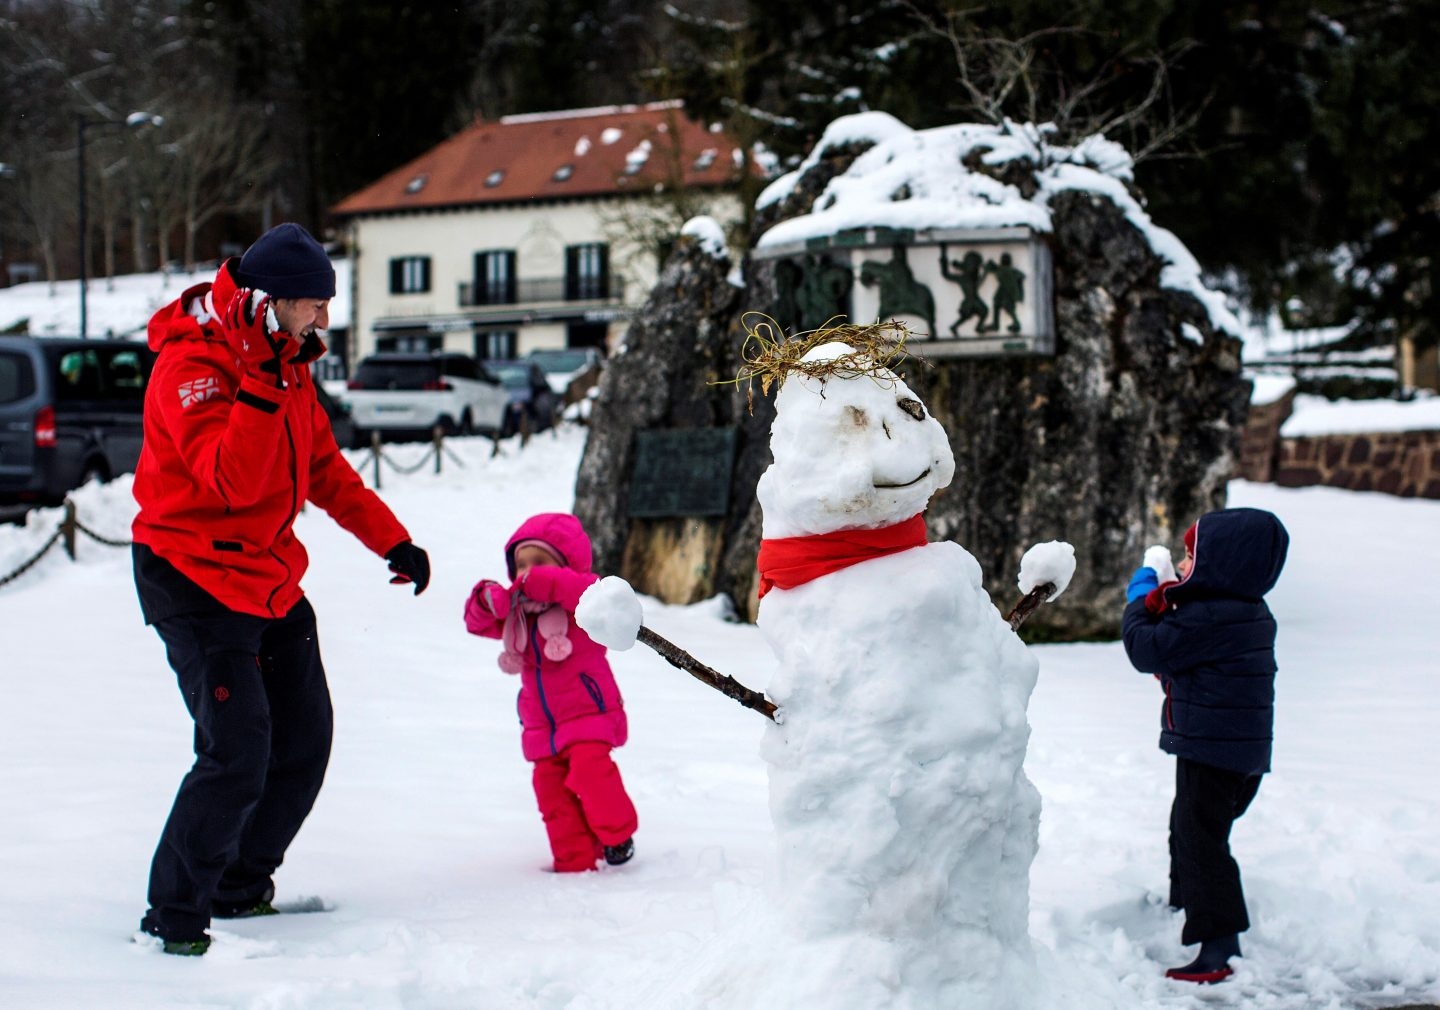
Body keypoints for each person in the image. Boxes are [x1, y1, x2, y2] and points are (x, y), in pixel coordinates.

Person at [130, 223, 432, 956]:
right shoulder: (192, 368)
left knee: (303, 741)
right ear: (268, 305)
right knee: (236, 751)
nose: (324, 320)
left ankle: (238, 885)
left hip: (266, 576)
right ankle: (173, 913)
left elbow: (325, 469)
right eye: (312, 305)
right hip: (193, 576)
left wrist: (392, 539)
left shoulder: (289, 363)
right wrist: (261, 382)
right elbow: (230, 482)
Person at [1121, 507, 1289, 984]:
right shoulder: (1243, 610)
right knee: (1190, 829)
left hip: (1213, 751)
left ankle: (1218, 945)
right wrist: (1171, 592)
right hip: (1232, 750)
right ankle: (1187, 899)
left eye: (1192, 557)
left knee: (1201, 841)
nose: (1185, 566)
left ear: (1225, 564)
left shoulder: (1212, 617)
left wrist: (1141, 595)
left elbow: (1145, 648)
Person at [463, 512, 638, 873]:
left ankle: (618, 836)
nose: (528, 572)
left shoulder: (585, 606)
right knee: (550, 791)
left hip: (589, 711)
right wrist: (485, 600)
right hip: (542, 725)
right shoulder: (520, 615)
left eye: (539, 562)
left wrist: (549, 582)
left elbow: (585, 590)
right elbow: (477, 624)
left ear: (563, 565)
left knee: (591, 774)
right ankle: (572, 864)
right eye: (521, 565)